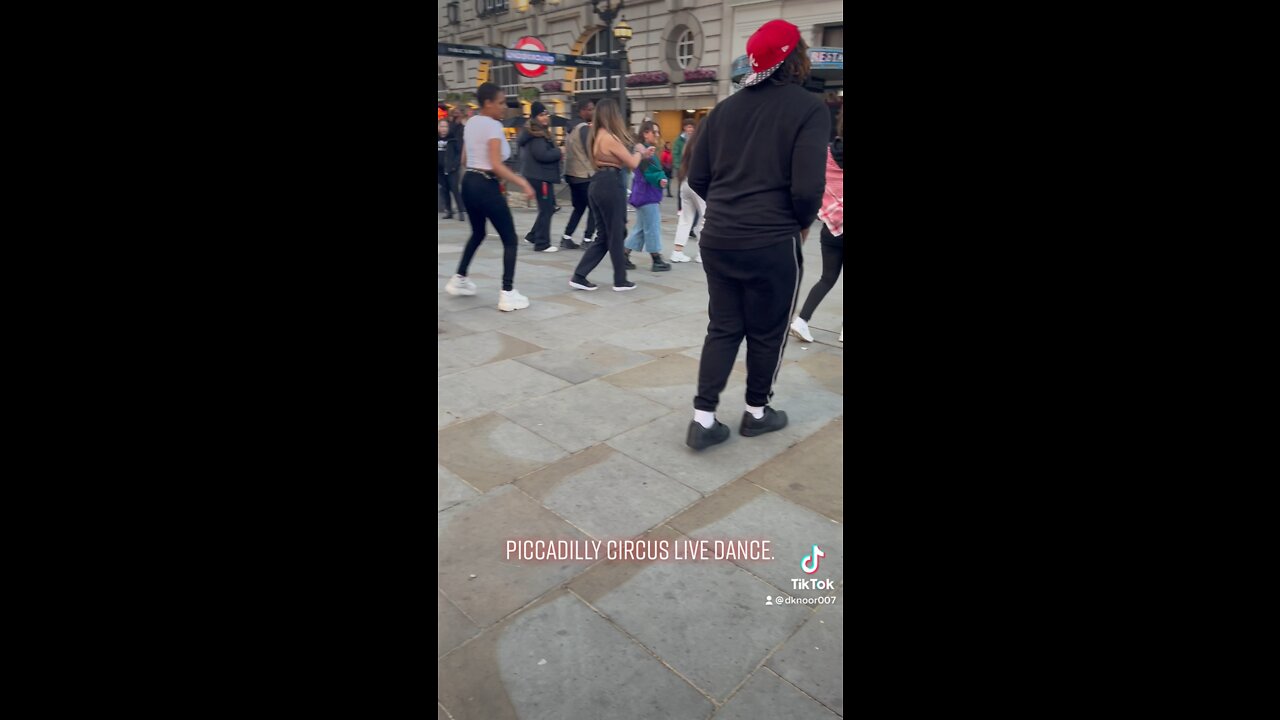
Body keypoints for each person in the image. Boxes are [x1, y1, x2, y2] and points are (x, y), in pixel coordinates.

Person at [684, 20, 830, 450]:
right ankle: (757, 412)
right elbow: (807, 187)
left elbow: (698, 176)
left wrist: (729, 210)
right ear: (794, 58)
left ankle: (703, 418)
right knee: (767, 330)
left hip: (719, 237)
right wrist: (800, 222)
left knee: (724, 326)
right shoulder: (808, 108)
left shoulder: (724, 111)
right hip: (771, 239)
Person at [446, 83, 537, 312]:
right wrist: (522, 182)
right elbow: (496, 165)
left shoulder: (472, 122)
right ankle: (507, 293)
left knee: (478, 232)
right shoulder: (493, 126)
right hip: (486, 185)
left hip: (468, 183)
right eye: (501, 102)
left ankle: (460, 278)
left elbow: (466, 159)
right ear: (488, 103)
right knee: (510, 239)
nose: (504, 107)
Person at [568, 98, 654, 293]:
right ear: (612, 115)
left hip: (598, 183)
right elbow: (632, 163)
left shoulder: (596, 135)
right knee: (615, 233)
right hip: (610, 185)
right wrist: (640, 151)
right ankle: (620, 280)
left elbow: (618, 161)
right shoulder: (610, 137)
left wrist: (642, 155)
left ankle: (580, 275)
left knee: (606, 235)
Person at [791, 106, 844, 344]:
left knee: (827, 278)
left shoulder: (828, 153)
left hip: (831, 229)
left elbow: (817, 183)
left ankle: (801, 321)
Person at [622, 121, 670, 272]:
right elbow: (649, 172)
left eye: (657, 132)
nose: (657, 135)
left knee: (642, 228)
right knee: (652, 227)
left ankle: (623, 256)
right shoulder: (643, 151)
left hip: (644, 195)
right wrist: (660, 179)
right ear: (645, 133)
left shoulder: (645, 150)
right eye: (654, 132)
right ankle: (656, 259)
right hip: (647, 196)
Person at [519, 102, 562, 253]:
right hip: (540, 176)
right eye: (541, 115)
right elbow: (542, 155)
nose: (545, 118)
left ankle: (532, 236)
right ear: (535, 117)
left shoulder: (536, 131)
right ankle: (542, 243)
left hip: (537, 175)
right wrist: (559, 152)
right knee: (546, 209)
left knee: (548, 208)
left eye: (546, 114)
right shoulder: (537, 134)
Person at [560, 100, 597, 249]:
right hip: (584, 175)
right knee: (594, 208)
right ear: (583, 110)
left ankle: (566, 237)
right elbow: (590, 152)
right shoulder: (584, 129)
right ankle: (587, 240)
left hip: (571, 174)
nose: (593, 112)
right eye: (591, 109)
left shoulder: (570, 128)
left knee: (580, 207)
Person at [668, 127, 706, 263]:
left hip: (685, 182)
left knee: (685, 219)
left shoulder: (689, 144)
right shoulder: (705, 144)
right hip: (699, 183)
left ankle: (677, 252)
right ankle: (702, 253)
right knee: (705, 218)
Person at [438, 119, 464, 220]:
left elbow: (459, 153)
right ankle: (448, 211)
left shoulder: (453, 139)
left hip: (452, 169)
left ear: (448, 128)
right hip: (440, 170)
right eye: (442, 127)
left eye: (445, 127)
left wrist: (454, 165)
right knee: (444, 191)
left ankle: (461, 211)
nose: (444, 129)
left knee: (455, 190)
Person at [672, 119, 695, 211]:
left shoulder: (696, 138)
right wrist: (678, 166)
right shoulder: (679, 140)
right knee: (681, 188)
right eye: (689, 127)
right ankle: (680, 208)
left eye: (692, 127)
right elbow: (675, 154)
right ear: (684, 127)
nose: (691, 129)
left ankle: (692, 206)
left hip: (693, 167)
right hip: (682, 167)